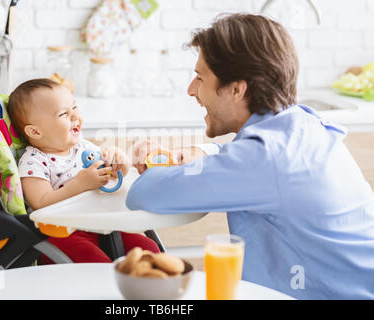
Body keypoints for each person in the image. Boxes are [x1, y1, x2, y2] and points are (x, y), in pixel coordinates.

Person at [126, 14, 374, 299]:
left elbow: (144, 193)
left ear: (236, 89)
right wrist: (202, 153)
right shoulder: (299, 125)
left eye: (200, 77)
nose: (191, 90)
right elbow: (246, 161)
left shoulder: (264, 158)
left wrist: (148, 159)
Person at [7, 78, 160, 263]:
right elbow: (41, 202)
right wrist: (79, 184)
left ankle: (150, 289)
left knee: (149, 250)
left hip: (101, 225)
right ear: (35, 132)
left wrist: (120, 163)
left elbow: (113, 178)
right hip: (62, 235)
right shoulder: (33, 162)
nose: (75, 116)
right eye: (63, 113)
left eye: (75, 107)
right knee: (97, 264)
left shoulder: (83, 147)